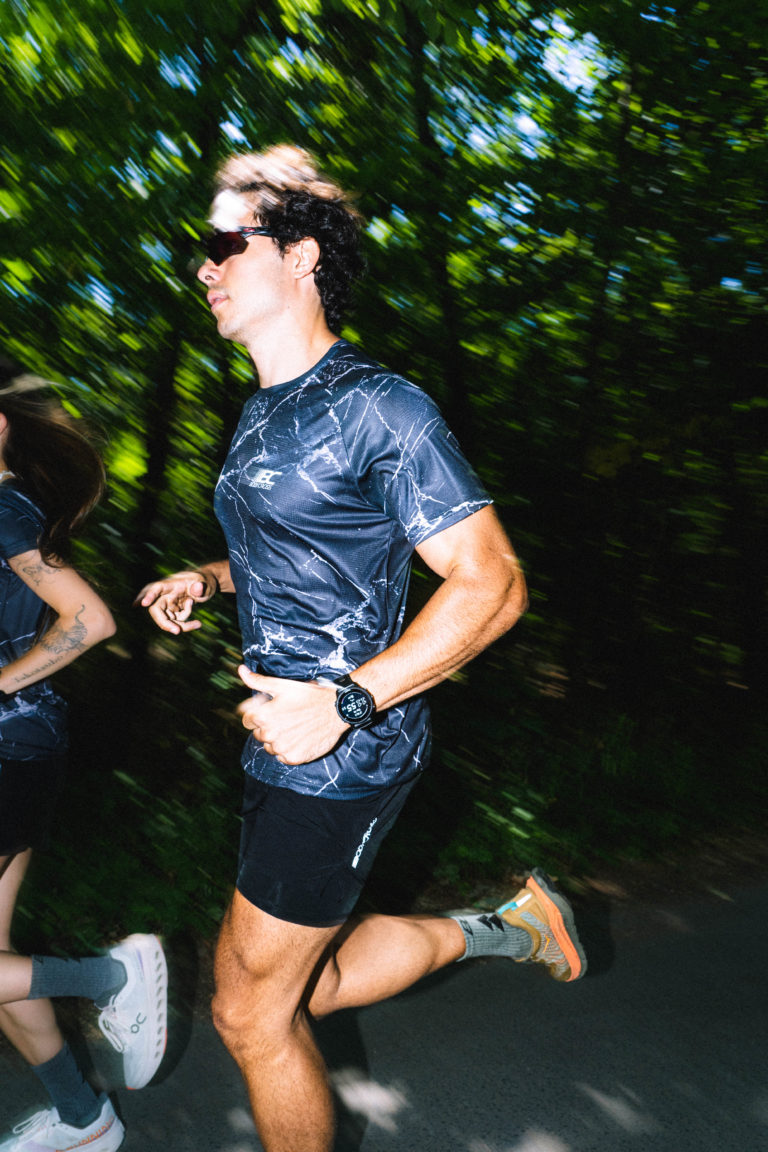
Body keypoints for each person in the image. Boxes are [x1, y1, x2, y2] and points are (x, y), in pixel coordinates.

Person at [137, 145, 586, 1152]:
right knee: (311, 983)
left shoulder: (379, 405)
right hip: (281, 741)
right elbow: (303, 544)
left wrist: (343, 702)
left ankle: (500, 929)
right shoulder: (265, 410)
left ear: (300, 255)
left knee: (248, 1015)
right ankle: (507, 926)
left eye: (225, 242)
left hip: (341, 751)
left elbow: (493, 580)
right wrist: (206, 577)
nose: (204, 265)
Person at [0, 365, 168, 1152]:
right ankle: (83, 1120)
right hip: (22, 745)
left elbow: (90, 619)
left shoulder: (3, 509)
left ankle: (113, 979)